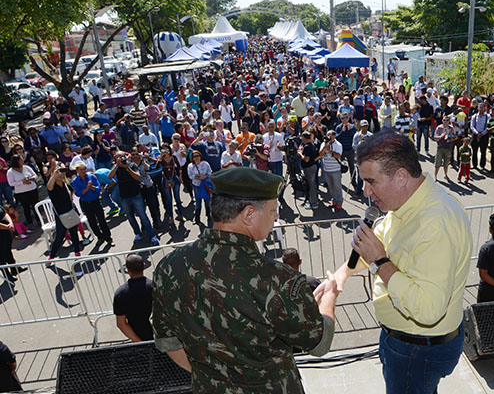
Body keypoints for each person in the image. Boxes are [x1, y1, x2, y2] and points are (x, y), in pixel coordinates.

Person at [152, 167, 338, 392]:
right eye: (272, 210)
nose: (277, 215)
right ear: (249, 214)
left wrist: (216, 378)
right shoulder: (277, 279)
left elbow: (168, 341)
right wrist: (329, 298)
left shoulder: (169, 266)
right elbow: (319, 342)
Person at [316, 132, 471, 394]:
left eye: (371, 181)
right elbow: (379, 246)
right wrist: (342, 275)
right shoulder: (406, 204)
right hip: (409, 343)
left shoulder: (435, 223)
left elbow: (428, 310)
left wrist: (380, 260)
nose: (365, 191)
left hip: (416, 349)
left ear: (400, 175)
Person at [110, 152, 160, 245]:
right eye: (118, 157)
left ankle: (152, 236)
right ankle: (137, 234)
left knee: (143, 215)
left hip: (136, 195)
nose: (121, 159)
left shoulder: (132, 165)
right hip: (124, 197)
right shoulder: (115, 167)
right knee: (130, 217)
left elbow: (137, 177)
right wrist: (117, 166)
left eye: (122, 157)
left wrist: (127, 168)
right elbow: (110, 176)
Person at [113, 254, 154, 342]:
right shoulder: (155, 286)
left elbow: (121, 323)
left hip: (139, 332)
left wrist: (138, 342)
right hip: (163, 334)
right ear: (144, 266)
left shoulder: (120, 294)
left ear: (127, 270)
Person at [72, 161, 113, 245]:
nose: (83, 171)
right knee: (92, 221)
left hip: (95, 201)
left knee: (102, 220)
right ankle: (100, 237)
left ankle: (108, 238)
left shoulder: (91, 177)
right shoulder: (75, 181)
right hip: (85, 203)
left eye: (84, 169)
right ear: (77, 171)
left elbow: (98, 189)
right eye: (81, 170)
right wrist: (87, 188)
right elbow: (79, 194)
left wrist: (91, 187)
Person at [46, 165, 82, 262]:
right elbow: (49, 186)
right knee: (59, 236)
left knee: (74, 233)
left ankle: (77, 252)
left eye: (62, 173)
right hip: (61, 215)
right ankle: (51, 256)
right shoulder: (53, 187)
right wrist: (53, 174)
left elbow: (74, 191)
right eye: (58, 173)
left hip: (70, 211)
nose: (61, 175)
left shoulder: (66, 184)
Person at [7, 154, 39, 227]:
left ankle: (39, 220)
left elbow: (35, 175)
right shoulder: (10, 172)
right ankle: (30, 222)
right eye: (21, 160)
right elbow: (11, 183)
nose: (22, 161)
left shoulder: (26, 168)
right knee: (26, 207)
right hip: (21, 193)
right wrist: (22, 182)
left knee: (35, 206)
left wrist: (32, 178)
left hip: (32, 189)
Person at [317, 130, 343, 212]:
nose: (328, 137)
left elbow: (338, 156)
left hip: (335, 170)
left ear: (334, 137)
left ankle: (339, 202)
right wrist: (325, 147)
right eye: (327, 135)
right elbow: (320, 154)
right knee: (331, 187)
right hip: (326, 169)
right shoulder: (324, 144)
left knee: (337, 187)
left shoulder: (338, 145)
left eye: (330, 136)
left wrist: (329, 150)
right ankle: (334, 200)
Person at [187, 150, 212, 225]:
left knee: (207, 201)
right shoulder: (190, 166)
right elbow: (190, 176)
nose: (196, 157)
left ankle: (209, 216)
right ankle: (197, 217)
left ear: (200, 156)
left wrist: (205, 176)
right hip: (196, 185)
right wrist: (196, 176)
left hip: (205, 185)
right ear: (192, 158)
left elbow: (210, 172)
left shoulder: (205, 164)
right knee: (198, 202)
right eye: (194, 156)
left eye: (198, 155)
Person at [299, 131, 319, 210]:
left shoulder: (307, 147)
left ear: (304, 138)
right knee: (312, 184)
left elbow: (306, 159)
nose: (301, 139)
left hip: (309, 168)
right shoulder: (312, 144)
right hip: (313, 166)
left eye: (302, 137)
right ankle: (313, 201)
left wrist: (300, 153)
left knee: (311, 186)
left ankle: (314, 203)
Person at [434, 116, 455, 181]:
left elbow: (454, 137)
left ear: (449, 121)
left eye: (447, 120)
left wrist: (448, 137)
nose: (445, 122)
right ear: (442, 121)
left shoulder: (451, 128)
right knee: (437, 163)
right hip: (440, 147)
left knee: (446, 163)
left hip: (448, 147)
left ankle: (446, 174)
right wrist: (441, 136)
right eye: (444, 120)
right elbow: (435, 137)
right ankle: (435, 176)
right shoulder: (439, 128)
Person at [470, 103, 489, 169]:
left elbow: (488, 126)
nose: (481, 109)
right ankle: (474, 164)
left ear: (485, 108)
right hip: (475, 135)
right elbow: (472, 126)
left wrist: (482, 133)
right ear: (478, 108)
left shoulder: (487, 116)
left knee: (483, 151)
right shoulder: (474, 116)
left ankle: (482, 165)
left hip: (484, 135)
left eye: (482, 107)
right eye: (480, 107)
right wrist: (477, 133)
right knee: (474, 151)